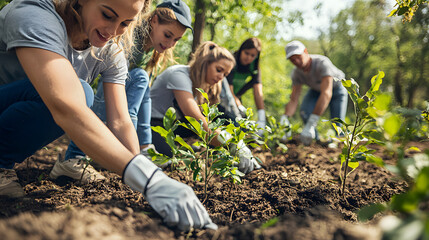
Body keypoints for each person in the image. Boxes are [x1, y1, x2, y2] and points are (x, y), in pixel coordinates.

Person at [0, 0, 216, 231]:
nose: (112, 31)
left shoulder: (110, 51)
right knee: (81, 93)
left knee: (83, 93)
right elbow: (65, 105)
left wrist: (146, 176)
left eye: (125, 23)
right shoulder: (34, 13)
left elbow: (121, 120)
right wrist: (146, 177)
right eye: (107, 15)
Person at [60, 0, 193, 176]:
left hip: (119, 98)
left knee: (142, 78)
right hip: (101, 93)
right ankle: (74, 156)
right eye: (168, 35)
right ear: (153, 20)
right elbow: (106, 85)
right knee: (138, 77)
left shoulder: (150, 51)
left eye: (176, 40)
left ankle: (144, 148)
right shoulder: (130, 38)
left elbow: (142, 96)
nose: (170, 44)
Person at [150, 41, 260, 174]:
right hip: (153, 123)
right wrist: (233, 145)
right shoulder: (179, 75)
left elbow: (210, 122)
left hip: (173, 126)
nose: (221, 77)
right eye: (219, 70)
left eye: (225, 74)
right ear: (205, 62)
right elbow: (196, 120)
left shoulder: (203, 85)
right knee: (165, 159)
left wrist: (237, 144)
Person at [281, 40, 348, 146]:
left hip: (337, 90)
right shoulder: (296, 73)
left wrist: (312, 122)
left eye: (298, 57)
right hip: (316, 90)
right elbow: (294, 99)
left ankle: (340, 146)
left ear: (305, 52)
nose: (297, 62)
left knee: (337, 123)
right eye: (293, 60)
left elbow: (326, 93)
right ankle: (316, 142)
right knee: (305, 112)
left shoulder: (322, 63)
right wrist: (285, 117)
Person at [226, 37, 266, 135]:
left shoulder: (254, 67)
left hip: (237, 97)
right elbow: (228, 89)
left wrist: (262, 117)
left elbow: (258, 91)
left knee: (242, 125)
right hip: (224, 95)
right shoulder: (231, 61)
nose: (248, 58)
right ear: (241, 51)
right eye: (246, 53)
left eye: (252, 55)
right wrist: (239, 105)